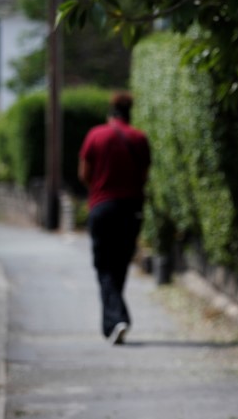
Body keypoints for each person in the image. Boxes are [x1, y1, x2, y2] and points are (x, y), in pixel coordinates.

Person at [78, 92, 151, 345]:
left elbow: (84, 174)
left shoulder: (96, 135)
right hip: (131, 208)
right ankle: (113, 323)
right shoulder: (139, 138)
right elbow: (143, 176)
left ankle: (117, 319)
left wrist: (99, 188)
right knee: (120, 265)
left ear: (111, 113)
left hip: (102, 207)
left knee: (103, 266)